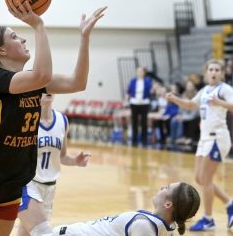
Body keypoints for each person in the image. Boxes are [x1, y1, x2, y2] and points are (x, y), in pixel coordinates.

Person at [0, 0, 107, 236]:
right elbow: (42, 74)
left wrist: (84, 39)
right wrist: (39, 26)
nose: (22, 39)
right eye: (14, 37)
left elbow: (77, 83)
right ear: (0, 51)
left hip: (12, 183)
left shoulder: (35, 82)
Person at [165, 59, 233, 231]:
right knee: (199, 178)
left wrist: (220, 103)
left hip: (217, 138)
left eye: (217, 69)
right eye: (211, 69)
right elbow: (190, 105)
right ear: (206, 72)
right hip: (204, 140)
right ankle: (230, 203)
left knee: (207, 180)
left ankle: (208, 219)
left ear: (221, 73)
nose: (214, 72)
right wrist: (175, 99)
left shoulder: (224, 89)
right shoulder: (204, 90)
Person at [17, 93, 91, 236]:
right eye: (43, 89)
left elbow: (62, 156)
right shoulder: (26, 120)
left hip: (49, 188)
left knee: (26, 232)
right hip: (28, 184)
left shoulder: (62, 120)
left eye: (50, 87)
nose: (47, 91)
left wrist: (75, 161)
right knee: (43, 232)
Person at [43, 182, 200, 236]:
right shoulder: (165, 228)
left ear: (168, 204)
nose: (161, 187)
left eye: (166, 188)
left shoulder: (144, 226)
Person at [126, 66, 152, 147]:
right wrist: (126, 97)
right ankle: (134, 138)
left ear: (143, 73)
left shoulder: (147, 81)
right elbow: (128, 91)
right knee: (134, 121)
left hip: (144, 103)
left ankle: (144, 139)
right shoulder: (133, 81)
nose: (139, 73)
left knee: (144, 122)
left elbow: (150, 91)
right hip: (134, 103)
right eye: (138, 71)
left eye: (141, 71)